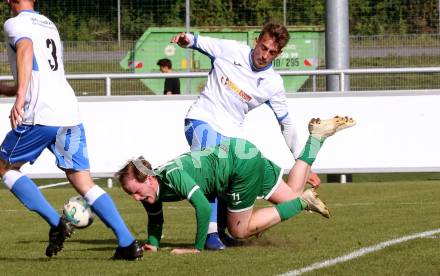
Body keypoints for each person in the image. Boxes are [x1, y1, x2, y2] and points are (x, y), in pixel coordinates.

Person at [0, 0, 142, 260]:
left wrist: (20, 96)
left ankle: (57, 223)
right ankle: (128, 242)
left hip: (40, 113)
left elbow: (26, 48)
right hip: (68, 112)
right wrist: (12, 89)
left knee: (4, 167)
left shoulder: (14, 23)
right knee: (83, 182)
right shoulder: (48, 24)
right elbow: (42, 71)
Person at [170, 22, 321, 249]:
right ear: (256, 41)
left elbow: (286, 124)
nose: (265, 55)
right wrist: (186, 39)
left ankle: (221, 231)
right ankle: (211, 235)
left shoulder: (273, 84)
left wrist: (302, 161)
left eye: (272, 52)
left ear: (278, 54)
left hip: (232, 133)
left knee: (232, 180)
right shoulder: (230, 50)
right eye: (263, 47)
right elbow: (199, 42)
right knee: (210, 168)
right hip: (202, 119)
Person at [116, 116, 356, 255]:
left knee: (239, 230)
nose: (135, 198)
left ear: (147, 178)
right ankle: (316, 139)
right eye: (131, 194)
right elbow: (155, 218)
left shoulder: (171, 176)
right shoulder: (151, 188)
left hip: (239, 164)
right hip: (241, 151)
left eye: (135, 191)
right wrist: (154, 244)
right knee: (290, 194)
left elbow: (200, 204)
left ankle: (304, 201)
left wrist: (196, 248)